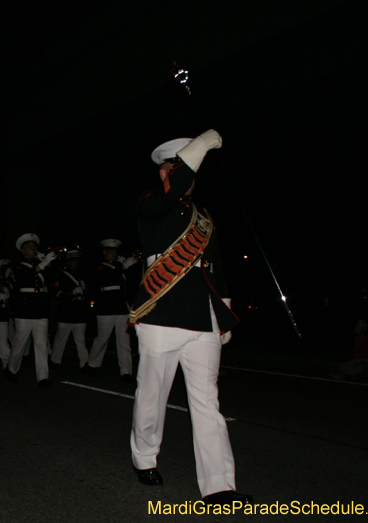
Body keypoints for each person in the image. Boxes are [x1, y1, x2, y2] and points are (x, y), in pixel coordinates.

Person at [128, 130, 251, 506]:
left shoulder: (204, 217)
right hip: (162, 313)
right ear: (166, 172)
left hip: (204, 318)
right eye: (181, 167)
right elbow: (167, 198)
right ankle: (144, 457)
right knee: (153, 396)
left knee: (207, 404)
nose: (189, 175)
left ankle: (219, 486)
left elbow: (215, 268)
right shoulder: (150, 204)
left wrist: (223, 313)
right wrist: (200, 145)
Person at [6, 234, 57, 387]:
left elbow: (52, 279)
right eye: (28, 247)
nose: (32, 249)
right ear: (22, 251)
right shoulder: (18, 265)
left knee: (41, 344)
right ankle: (12, 369)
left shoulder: (41, 264)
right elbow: (24, 278)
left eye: (33, 247)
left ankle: (43, 377)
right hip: (25, 308)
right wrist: (42, 265)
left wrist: (46, 263)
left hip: (40, 307)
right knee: (20, 343)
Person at [87, 239, 137, 381]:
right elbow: (107, 278)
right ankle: (92, 364)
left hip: (121, 306)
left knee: (124, 340)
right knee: (102, 338)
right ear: (104, 252)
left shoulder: (118, 267)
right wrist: (123, 266)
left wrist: (127, 265)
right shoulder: (101, 267)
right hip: (106, 306)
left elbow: (130, 283)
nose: (112, 254)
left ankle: (126, 371)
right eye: (109, 251)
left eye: (114, 251)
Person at [50, 249, 90, 371]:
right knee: (61, 339)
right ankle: (55, 361)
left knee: (80, 340)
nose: (75, 263)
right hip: (66, 312)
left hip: (79, 312)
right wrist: (70, 293)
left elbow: (87, 295)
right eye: (73, 261)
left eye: (77, 261)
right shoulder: (61, 276)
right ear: (68, 263)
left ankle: (84, 364)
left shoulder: (81, 276)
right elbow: (56, 293)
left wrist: (85, 290)